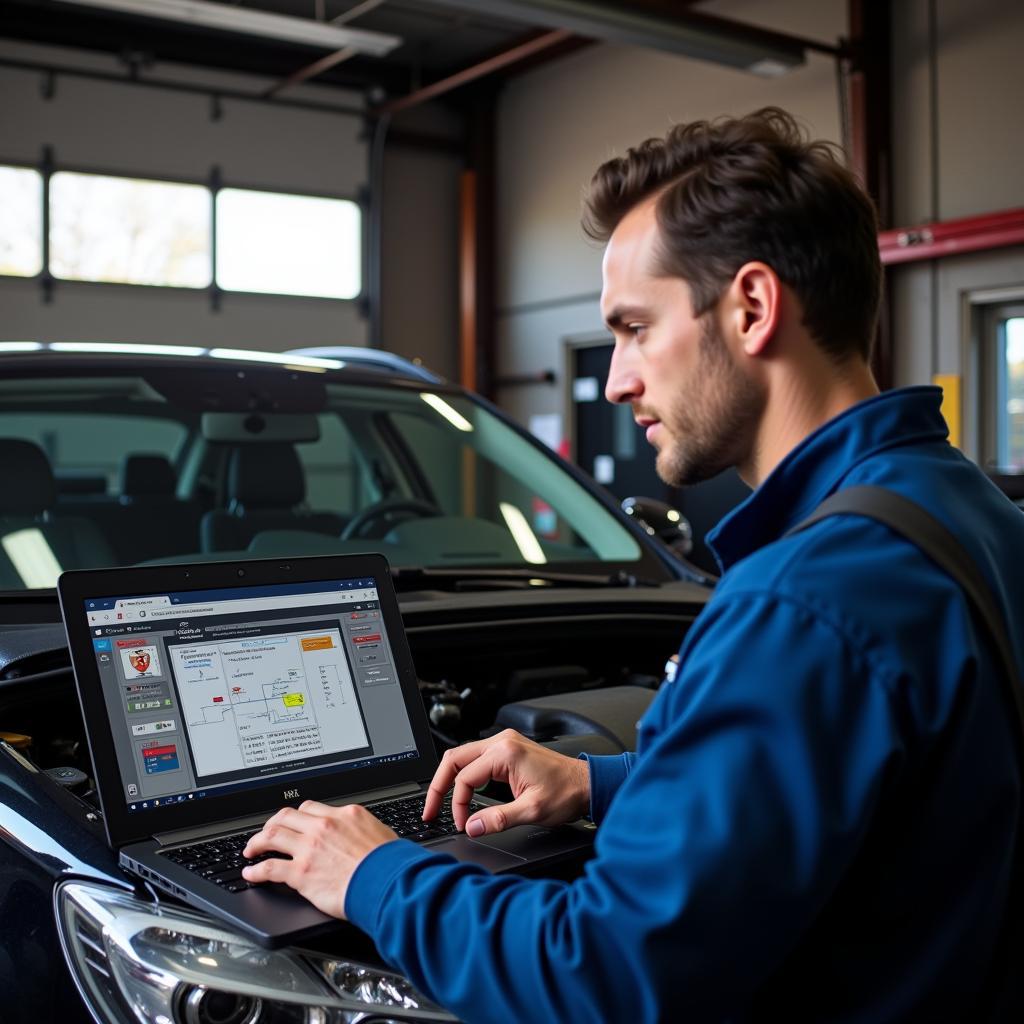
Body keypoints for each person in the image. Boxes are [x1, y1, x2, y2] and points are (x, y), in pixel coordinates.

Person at [242, 108, 1024, 1021]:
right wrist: (600, 781)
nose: (615, 380)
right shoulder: (965, 509)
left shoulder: (799, 605)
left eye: (634, 328)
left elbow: (604, 976)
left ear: (753, 308)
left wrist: (373, 873)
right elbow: (882, 792)